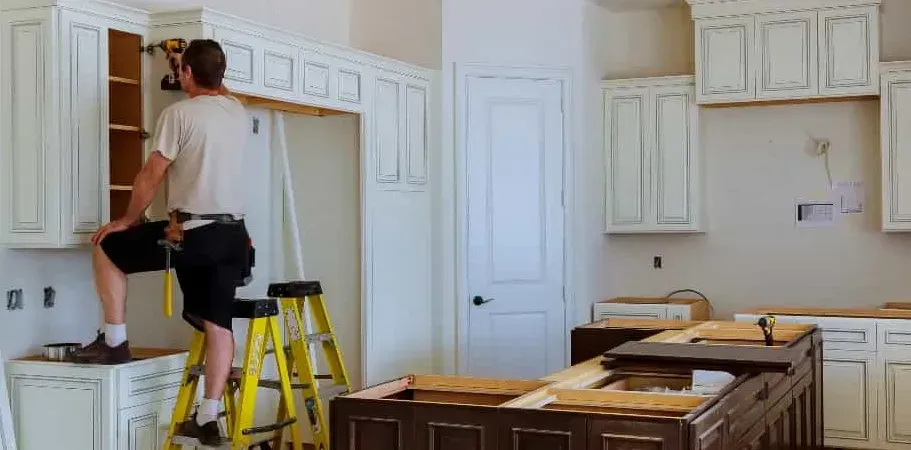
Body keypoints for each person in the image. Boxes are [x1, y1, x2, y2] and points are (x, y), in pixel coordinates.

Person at [71, 39, 250, 445]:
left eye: (182, 70)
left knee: (106, 247)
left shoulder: (178, 114)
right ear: (220, 75)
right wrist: (188, 63)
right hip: (232, 235)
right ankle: (207, 418)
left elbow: (151, 175)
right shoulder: (236, 110)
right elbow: (215, 85)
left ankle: (114, 342)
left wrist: (127, 220)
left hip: (194, 233)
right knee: (219, 324)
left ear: (186, 73)